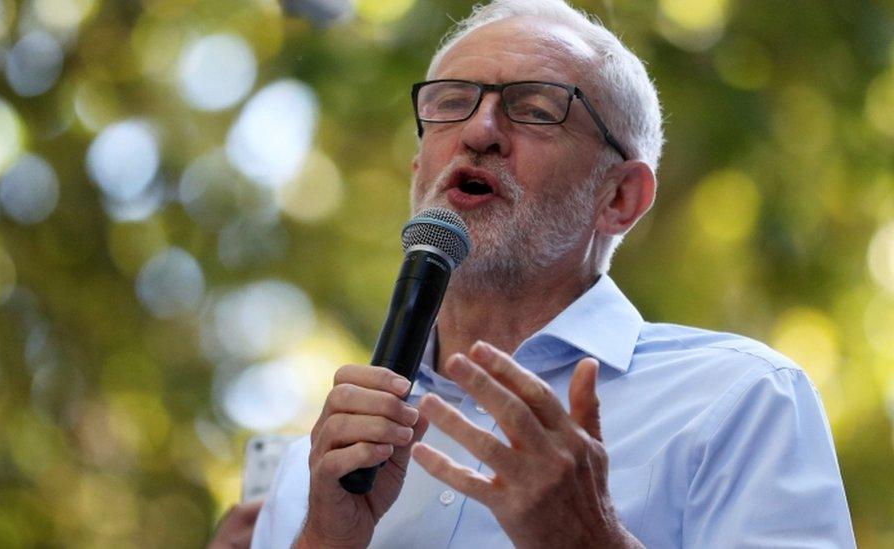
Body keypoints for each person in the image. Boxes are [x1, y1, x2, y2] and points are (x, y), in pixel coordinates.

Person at [243, 0, 857, 547]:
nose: (479, 132)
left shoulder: (739, 401)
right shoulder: (315, 472)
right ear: (417, 169)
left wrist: (590, 541)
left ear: (620, 197)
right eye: (452, 105)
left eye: (536, 109)